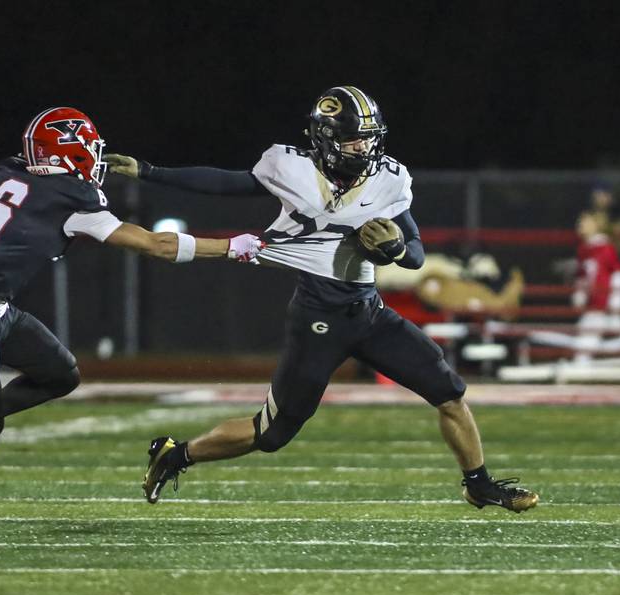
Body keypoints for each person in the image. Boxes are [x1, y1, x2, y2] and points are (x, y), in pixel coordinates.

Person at [107, 86, 538, 513]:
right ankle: (174, 455)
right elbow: (227, 183)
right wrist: (149, 171)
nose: (365, 147)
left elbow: (415, 251)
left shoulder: (389, 178)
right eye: (354, 139)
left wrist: (397, 252)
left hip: (370, 313)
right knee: (271, 434)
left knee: (450, 392)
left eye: (370, 137)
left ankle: (478, 485)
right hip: (319, 318)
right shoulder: (288, 166)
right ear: (326, 140)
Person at [0, 106, 262, 529]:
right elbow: (155, 245)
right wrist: (226, 247)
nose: (94, 159)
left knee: (61, 374)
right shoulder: (72, 200)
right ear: (67, 154)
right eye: (89, 150)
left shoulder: (12, 172)